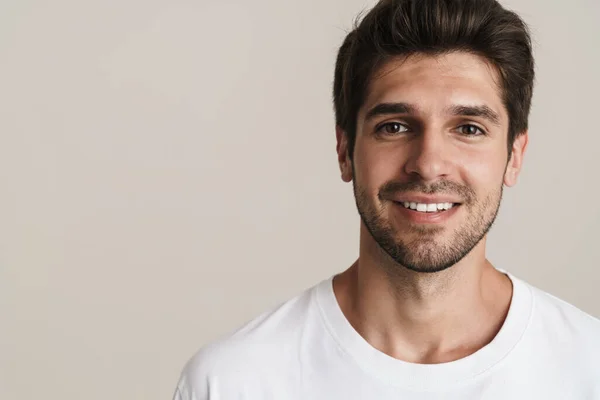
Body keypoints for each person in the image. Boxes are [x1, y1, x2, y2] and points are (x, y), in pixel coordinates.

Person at [173, 0, 600, 398]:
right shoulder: (233, 382)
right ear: (345, 151)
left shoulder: (587, 369)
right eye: (394, 127)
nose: (429, 164)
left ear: (514, 156)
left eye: (469, 128)